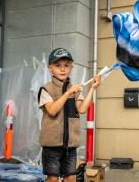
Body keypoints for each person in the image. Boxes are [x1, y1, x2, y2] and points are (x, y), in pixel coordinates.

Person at [38, 48, 101, 182]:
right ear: (50, 68)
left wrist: (93, 89)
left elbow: (82, 109)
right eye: (58, 65)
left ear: (71, 68)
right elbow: (52, 110)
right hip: (51, 145)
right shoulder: (46, 89)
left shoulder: (75, 89)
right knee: (53, 178)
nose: (62, 69)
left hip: (70, 145)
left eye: (66, 66)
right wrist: (67, 93)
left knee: (71, 178)